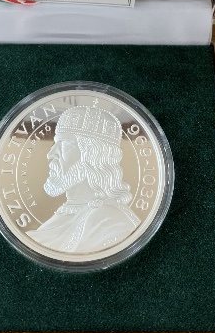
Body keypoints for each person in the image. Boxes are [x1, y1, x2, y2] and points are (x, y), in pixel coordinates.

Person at [27, 103, 139, 253]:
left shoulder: (112, 220)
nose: (50, 154)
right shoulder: (67, 210)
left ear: (93, 154)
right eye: (55, 143)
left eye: (64, 144)